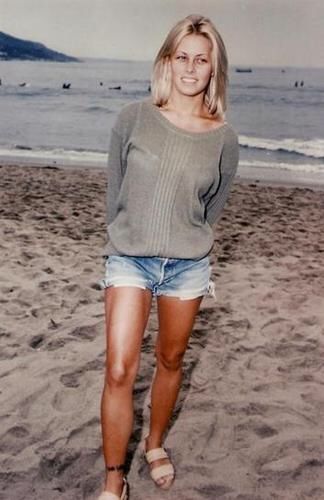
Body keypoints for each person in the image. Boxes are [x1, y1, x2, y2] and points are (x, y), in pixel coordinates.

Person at [98, 13, 239, 500]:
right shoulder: (132, 118)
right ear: (166, 60)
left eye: (202, 60)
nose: (190, 68)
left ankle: (155, 443)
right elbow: (116, 193)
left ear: (213, 70)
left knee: (171, 359)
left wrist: (183, 241)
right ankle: (115, 477)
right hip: (129, 258)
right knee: (119, 367)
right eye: (182, 56)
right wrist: (127, 241)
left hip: (187, 267)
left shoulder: (224, 138)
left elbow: (210, 207)